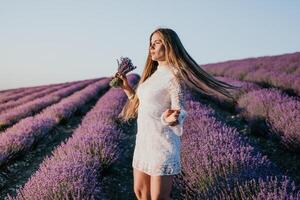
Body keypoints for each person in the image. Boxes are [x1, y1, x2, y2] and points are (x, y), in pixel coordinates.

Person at [116, 27, 241, 200]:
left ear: (169, 45)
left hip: (162, 144)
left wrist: (171, 119)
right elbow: (142, 106)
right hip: (144, 142)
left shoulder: (174, 75)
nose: (151, 48)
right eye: (150, 44)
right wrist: (128, 89)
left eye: (156, 43)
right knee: (141, 193)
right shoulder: (152, 76)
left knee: (158, 197)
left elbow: (180, 109)